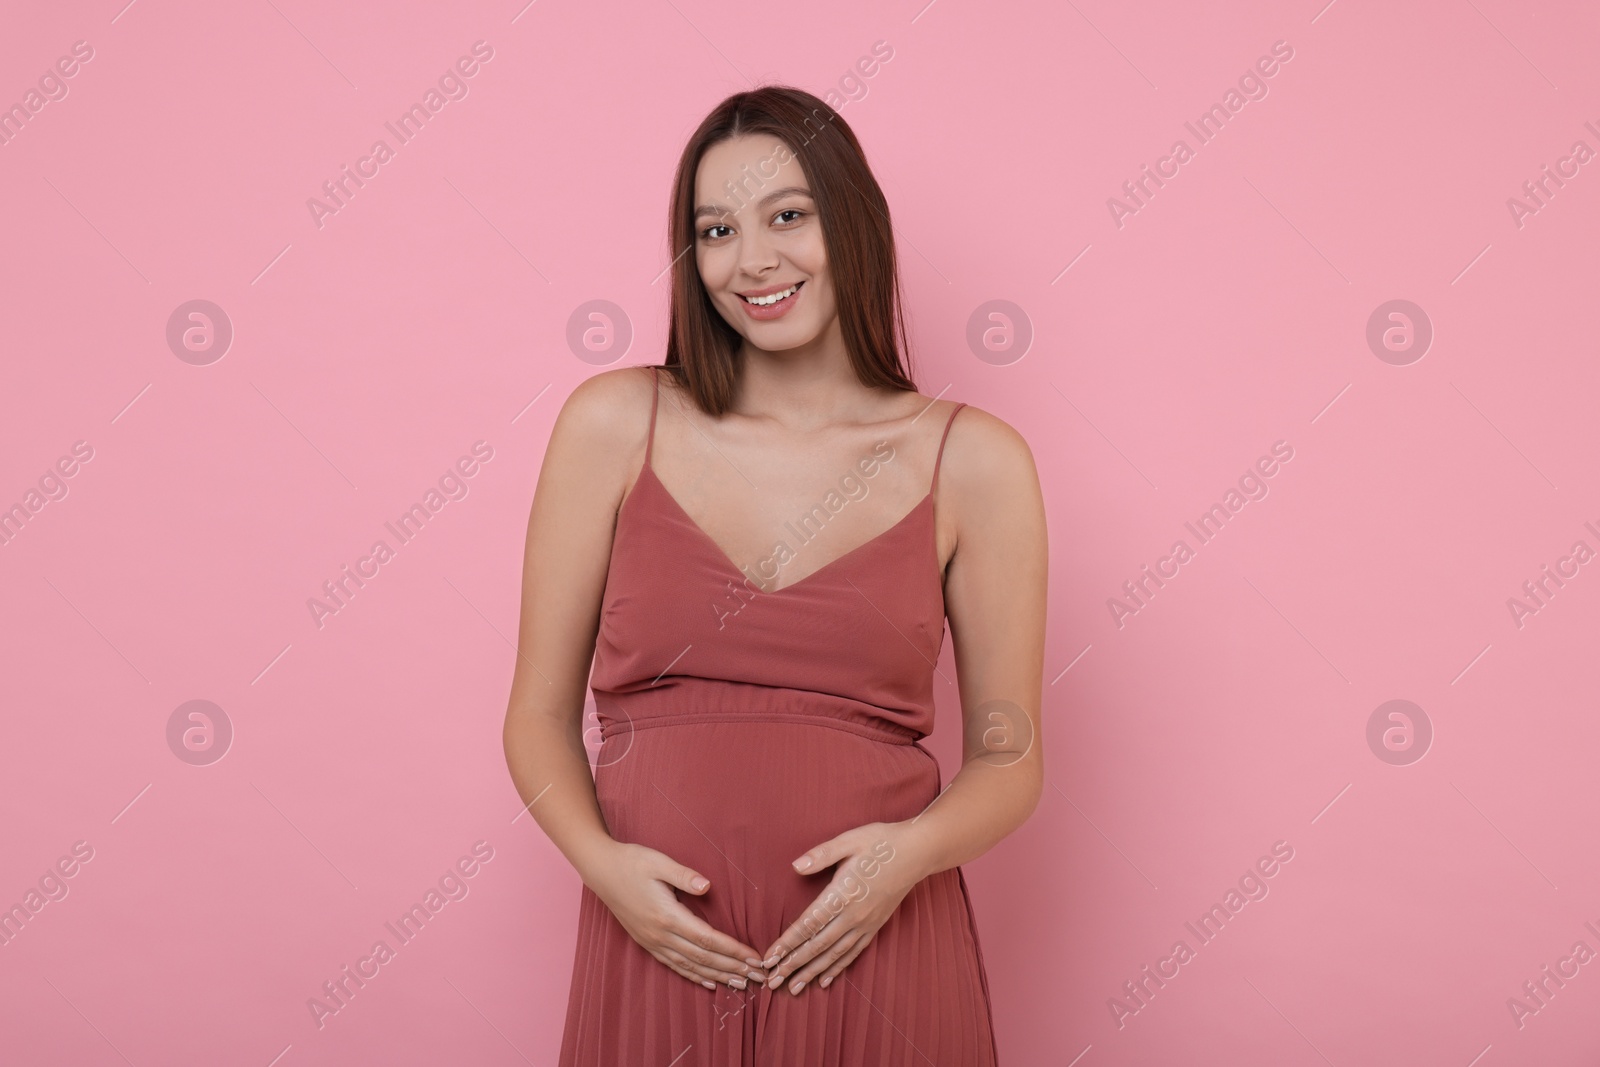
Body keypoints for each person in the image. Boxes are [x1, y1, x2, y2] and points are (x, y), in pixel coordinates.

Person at [503, 84, 1047, 1065]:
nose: (751, 259)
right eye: (715, 228)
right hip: (659, 950)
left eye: (787, 215)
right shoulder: (613, 423)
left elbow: (1009, 758)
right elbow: (536, 716)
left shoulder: (973, 461)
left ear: (854, 222)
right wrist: (606, 870)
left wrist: (906, 855)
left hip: (874, 953)